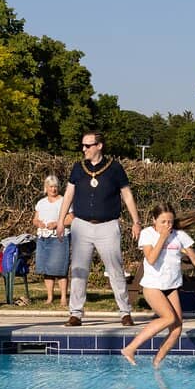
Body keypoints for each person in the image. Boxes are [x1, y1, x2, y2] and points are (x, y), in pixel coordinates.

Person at [120, 204, 195, 367]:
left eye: (170, 222)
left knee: (177, 328)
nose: (167, 225)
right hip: (153, 286)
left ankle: (156, 364)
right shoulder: (147, 234)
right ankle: (130, 348)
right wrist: (162, 238)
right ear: (154, 220)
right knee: (168, 318)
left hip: (171, 286)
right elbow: (151, 259)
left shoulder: (180, 236)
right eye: (163, 222)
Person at [55, 131, 141, 326]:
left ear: (99, 146)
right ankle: (76, 313)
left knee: (115, 269)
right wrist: (61, 220)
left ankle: (125, 312)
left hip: (108, 226)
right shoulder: (78, 168)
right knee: (78, 270)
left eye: (88, 145)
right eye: (83, 145)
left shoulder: (115, 168)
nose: (83, 149)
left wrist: (136, 221)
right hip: (81, 225)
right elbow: (68, 194)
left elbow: (127, 195)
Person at [32, 174, 73, 307]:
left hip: (59, 238)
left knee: (60, 269)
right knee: (47, 269)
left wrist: (57, 223)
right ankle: (50, 297)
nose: (53, 189)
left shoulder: (63, 201)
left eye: (55, 186)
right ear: (46, 188)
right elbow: (35, 219)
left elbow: (71, 218)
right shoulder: (41, 203)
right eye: (51, 187)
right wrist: (38, 223)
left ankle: (63, 298)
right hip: (43, 238)